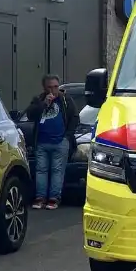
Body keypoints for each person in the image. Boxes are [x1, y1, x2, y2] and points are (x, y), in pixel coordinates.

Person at [25, 74, 79, 210]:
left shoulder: (65, 100)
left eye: (56, 87)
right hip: (42, 142)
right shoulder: (39, 100)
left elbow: (74, 117)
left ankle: (54, 198)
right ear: (44, 88)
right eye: (50, 87)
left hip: (60, 141)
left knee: (57, 170)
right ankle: (40, 197)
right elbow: (30, 115)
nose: (53, 90)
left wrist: (67, 136)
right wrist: (44, 104)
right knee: (41, 170)